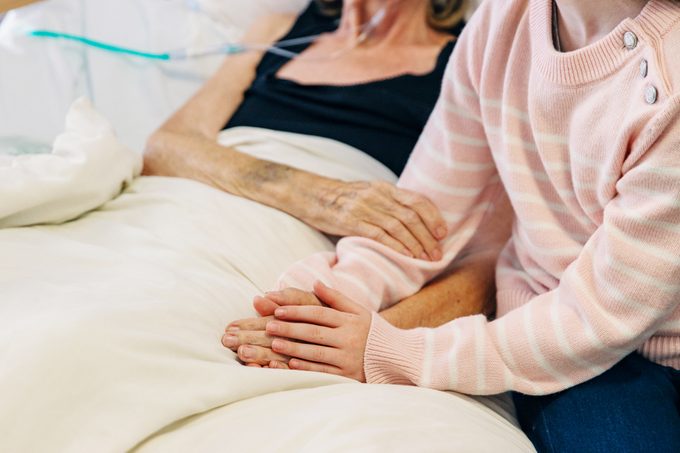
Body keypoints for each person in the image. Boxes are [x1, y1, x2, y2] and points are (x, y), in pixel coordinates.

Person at [232, 0, 680, 451]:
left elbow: (598, 317)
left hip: (623, 340)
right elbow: (429, 210)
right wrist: (312, 306)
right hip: (554, 323)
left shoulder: (670, 78)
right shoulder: (503, 18)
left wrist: (399, 354)